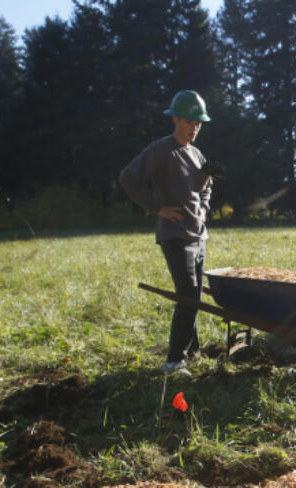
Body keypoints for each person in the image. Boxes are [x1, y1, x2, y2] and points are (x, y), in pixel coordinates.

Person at [120, 90, 215, 375]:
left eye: (198, 123)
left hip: (198, 235)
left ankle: (192, 349)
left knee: (194, 294)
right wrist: (157, 207)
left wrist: (204, 209)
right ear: (175, 118)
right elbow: (128, 178)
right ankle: (174, 361)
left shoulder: (197, 154)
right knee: (187, 295)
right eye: (188, 121)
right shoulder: (161, 150)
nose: (194, 127)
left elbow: (207, 185)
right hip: (175, 235)